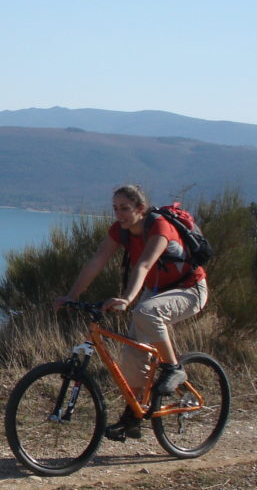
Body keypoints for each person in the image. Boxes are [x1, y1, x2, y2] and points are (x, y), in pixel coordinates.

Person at [56, 184, 209, 442]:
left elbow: (144, 264)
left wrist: (126, 298)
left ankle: (173, 368)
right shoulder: (120, 231)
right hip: (157, 291)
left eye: (125, 208)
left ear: (140, 208)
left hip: (189, 289)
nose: (119, 214)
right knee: (131, 354)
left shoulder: (160, 226)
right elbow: (96, 261)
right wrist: (72, 295)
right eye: (115, 208)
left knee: (146, 311)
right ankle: (133, 417)